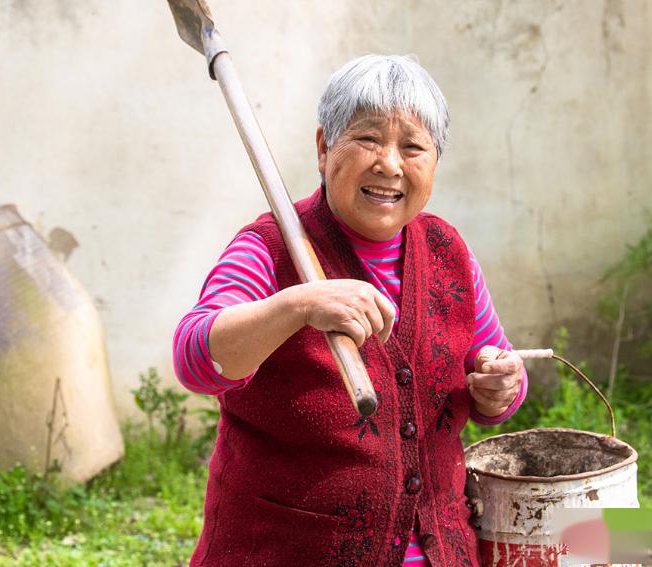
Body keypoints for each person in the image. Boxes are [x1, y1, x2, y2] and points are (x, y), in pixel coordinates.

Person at [173, 54, 527, 567]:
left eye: (413, 146)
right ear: (324, 148)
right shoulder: (268, 249)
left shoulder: (450, 252)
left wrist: (501, 387)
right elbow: (194, 359)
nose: (389, 164)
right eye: (367, 139)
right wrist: (298, 304)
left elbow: (496, 373)